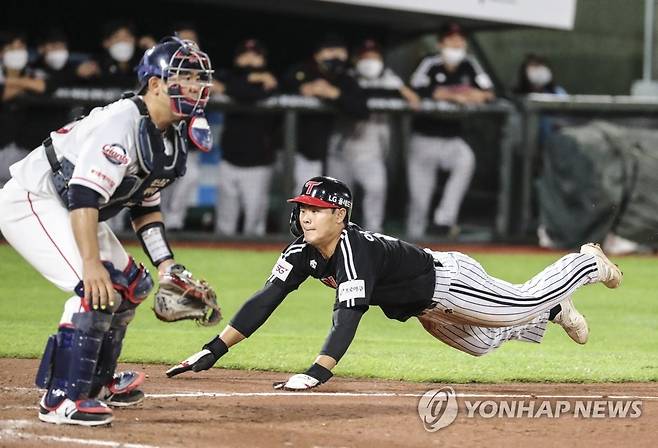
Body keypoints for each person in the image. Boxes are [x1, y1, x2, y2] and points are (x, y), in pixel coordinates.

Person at [166, 176, 622, 391]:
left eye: (316, 208)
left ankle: (584, 264)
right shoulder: (301, 252)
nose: (305, 214)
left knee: (522, 300)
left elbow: (347, 316)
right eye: (302, 206)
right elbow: (267, 300)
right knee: (482, 346)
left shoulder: (353, 249)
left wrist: (318, 371)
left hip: (449, 282)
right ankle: (552, 313)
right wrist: (213, 349)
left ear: (339, 214)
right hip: (425, 308)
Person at [0, 36, 215, 425]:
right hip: (32, 199)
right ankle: (61, 399)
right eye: (186, 76)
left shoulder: (170, 133)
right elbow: (84, 195)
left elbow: (145, 206)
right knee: (96, 289)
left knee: (133, 286)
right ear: (155, 84)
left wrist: (165, 265)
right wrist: (90, 264)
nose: (197, 86)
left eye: (201, 78)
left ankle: (97, 382)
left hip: (72, 207)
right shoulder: (121, 122)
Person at [407, 22, 495, 239]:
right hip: (424, 139)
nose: (456, 44)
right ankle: (409, 242)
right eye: (450, 40)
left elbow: (488, 92)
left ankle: (444, 220)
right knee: (420, 199)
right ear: (441, 43)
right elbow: (417, 89)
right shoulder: (430, 63)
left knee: (466, 159)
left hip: (451, 138)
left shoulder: (469, 64)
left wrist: (469, 95)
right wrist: (454, 95)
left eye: (459, 40)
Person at [327, 38, 420, 232]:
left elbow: (413, 99)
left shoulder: (389, 77)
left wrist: (400, 90)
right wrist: (393, 93)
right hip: (342, 149)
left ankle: (373, 238)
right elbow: (357, 97)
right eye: (365, 56)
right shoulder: (347, 77)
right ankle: (333, 243)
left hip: (371, 151)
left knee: (376, 190)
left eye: (374, 56)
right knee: (336, 203)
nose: (370, 61)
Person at [282, 33, 368, 194]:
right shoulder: (302, 71)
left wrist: (336, 94)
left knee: (335, 202)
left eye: (340, 51)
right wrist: (301, 89)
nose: (335, 55)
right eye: (330, 50)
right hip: (303, 152)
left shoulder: (346, 79)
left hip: (338, 152)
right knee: (303, 200)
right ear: (317, 55)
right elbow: (282, 86)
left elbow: (362, 109)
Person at [215, 38, 279, 236]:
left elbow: (252, 96)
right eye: (245, 55)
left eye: (255, 55)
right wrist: (248, 81)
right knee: (224, 225)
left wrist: (232, 88)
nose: (250, 59)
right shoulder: (227, 76)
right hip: (229, 161)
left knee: (254, 226)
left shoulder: (271, 80)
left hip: (259, 164)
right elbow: (224, 85)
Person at [0, 30, 47, 187]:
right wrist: (26, 84)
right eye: (12, 49)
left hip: (25, 151)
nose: (17, 53)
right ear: (2, 53)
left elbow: (42, 86)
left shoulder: (34, 72)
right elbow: (4, 94)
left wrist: (10, 82)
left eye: (21, 48)